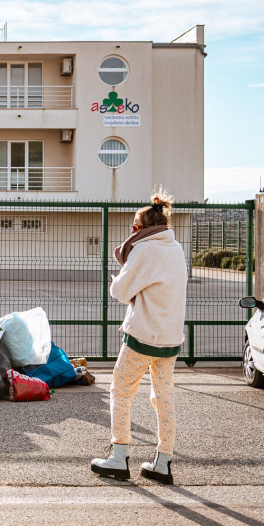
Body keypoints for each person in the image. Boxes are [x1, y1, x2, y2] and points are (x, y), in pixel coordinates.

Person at [91, 190, 187, 484]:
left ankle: (119, 457)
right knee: (163, 397)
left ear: (144, 228)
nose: (132, 232)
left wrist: (119, 280)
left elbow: (120, 292)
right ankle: (163, 461)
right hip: (170, 338)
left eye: (134, 226)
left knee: (120, 392)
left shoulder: (144, 249)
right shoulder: (176, 248)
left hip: (143, 335)